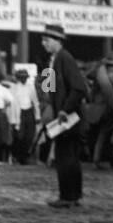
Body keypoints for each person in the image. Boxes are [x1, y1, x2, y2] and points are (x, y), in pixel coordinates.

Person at [39, 24, 89, 208]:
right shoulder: (53, 60)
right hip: (61, 117)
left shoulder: (64, 58)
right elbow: (48, 90)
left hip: (68, 118)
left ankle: (68, 197)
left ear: (58, 41)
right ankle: (73, 196)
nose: (44, 43)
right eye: (43, 40)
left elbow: (79, 88)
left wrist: (64, 110)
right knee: (66, 156)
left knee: (66, 157)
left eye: (47, 40)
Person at [10, 68, 38, 164]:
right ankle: (20, 157)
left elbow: (35, 102)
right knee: (20, 136)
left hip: (29, 112)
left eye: (25, 77)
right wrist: (13, 119)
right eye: (21, 77)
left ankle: (26, 156)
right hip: (20, 113)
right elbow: (13, 104)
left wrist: (37, 116)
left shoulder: (31, 87)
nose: (23, 79)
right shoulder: (14, 88)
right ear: (18, 78)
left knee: (29, 135)